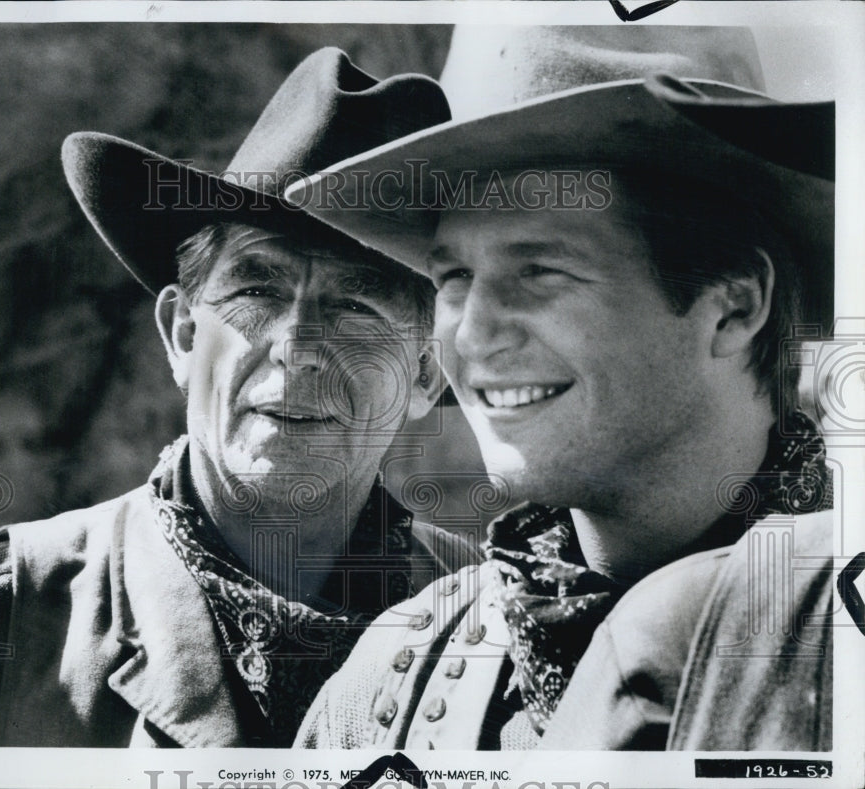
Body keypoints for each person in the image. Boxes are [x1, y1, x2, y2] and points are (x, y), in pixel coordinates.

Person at [0, 48, 480, 748]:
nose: (298, 344)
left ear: (425, 373)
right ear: (181, 333)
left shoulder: (489, 626)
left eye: (357, 305)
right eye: (257, 290)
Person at [285, 27, 836, 750]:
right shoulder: (388, 689)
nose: (471, 335)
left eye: (540, 270)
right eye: (453, 278)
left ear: (734, 304)